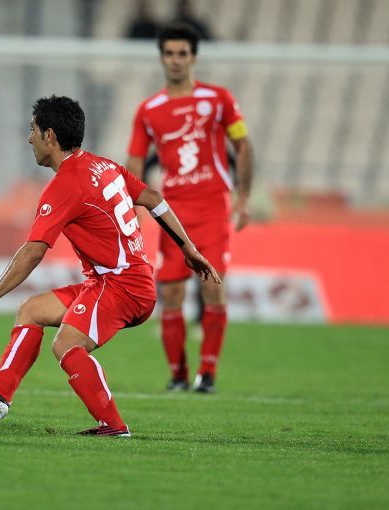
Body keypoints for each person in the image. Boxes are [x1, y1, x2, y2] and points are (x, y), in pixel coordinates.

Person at [0, 95, 219, 436]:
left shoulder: (65, 185)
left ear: (49, 136)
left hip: (121, 286)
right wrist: (187, 247)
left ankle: (113, 425)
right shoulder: (104, 166)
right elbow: (154, 199)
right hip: (118, 280)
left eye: (32, 130)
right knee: (32, 310)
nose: (29, 139)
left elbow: (32, 252)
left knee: (66, 345)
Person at [125, 24, 253, 393]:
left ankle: (207, 374)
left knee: (213, 288)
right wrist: (131, 211)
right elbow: (135, 163)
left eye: (182, 53)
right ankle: (178, 375)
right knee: (171, 293)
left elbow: (243, 145)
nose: (176, 60)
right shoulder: (149, 110)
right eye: (169, 53)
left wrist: (243, 198)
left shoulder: (219, 99)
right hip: (172, 211)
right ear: (161, 58)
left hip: (212, 207)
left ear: (193, 57)